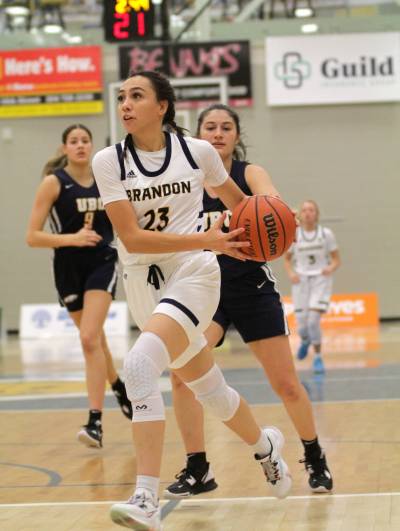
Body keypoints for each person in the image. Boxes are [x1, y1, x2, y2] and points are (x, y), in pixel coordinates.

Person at [92, 71, 292, 531]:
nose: (125, 104)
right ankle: (265, 445)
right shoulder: (110, 161)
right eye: (122, 97)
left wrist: (268, 225)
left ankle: (145, 496)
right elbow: (132, 238)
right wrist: (208, 234)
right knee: (210, 389)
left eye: (136, 96)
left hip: (195, 273)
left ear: (162, 106)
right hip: (143, 281)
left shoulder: (198, 152)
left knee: (140, 366)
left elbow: (241, 205)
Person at [164, 104, 334, 501]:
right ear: (197, 135)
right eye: (210, 127)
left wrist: (275, 211)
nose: (218, 133)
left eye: (226, 127)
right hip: (203, 291)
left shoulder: (248, 173)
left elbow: (269, 201)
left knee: (286, 383)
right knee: (181, 374)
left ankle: (314, 454)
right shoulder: (183, 181)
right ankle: (198, 467)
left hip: (251, 288)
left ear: (236, 136)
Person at [26, 124, 132, 449]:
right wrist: (72, 238)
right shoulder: (54, 183)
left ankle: (95, 422)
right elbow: (32, 236)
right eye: (74, 141)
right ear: (64, 149)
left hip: (102, 262)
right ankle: (118, 386)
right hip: (68, 267)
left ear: (91, 146)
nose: (81, 145)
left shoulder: (107, 181)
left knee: (88, 338)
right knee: (95, 340)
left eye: (85, 140)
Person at [284, 199, 341, 374]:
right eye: (305, 210)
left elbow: (336, 259)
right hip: (301, 281)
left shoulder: (326, 234)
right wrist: (291, 273)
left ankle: (317, 357)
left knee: (313, 321)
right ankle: (306, 340)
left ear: (316, 214)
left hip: (320, 280)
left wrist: (330, 267)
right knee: (302, 326)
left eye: (311, 210)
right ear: (300, 214)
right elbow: (287, 258)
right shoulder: (295, 234)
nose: (308, 213)